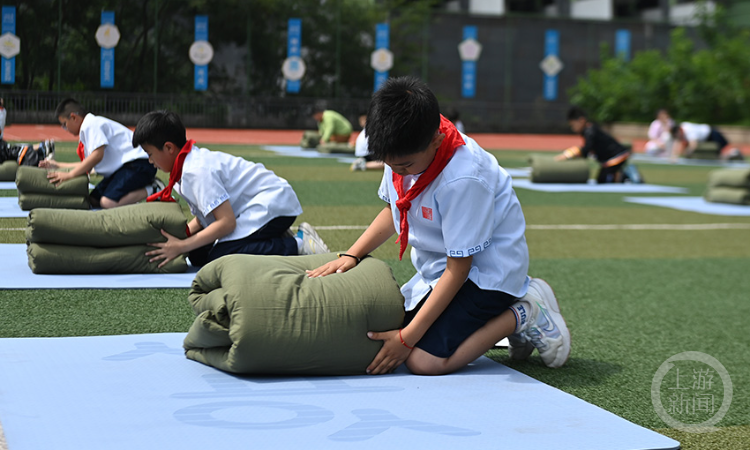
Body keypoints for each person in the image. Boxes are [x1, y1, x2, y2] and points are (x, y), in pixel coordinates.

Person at [307, 77, 570, 376]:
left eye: (404, 167)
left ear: (436, 140)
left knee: (423, 361)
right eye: (391, 166)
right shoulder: (405, 146)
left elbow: (459, 269)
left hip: (486, 275)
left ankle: (526, 312)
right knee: (393, 329)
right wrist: (350, 255)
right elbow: (394, 209)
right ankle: (498, 317)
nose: (398, 173)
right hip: (442, 269)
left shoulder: (463, 177)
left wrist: (407, 340)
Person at [132, 110, 330, 268]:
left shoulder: (196, 171)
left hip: (274, 202)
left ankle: (300, 245)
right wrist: (181, 239)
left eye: (150, 154)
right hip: (254, 207)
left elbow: (226, 223)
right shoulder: (183, 168)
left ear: (169, 148)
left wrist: (182, 245)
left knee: (222, 257)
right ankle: (271, 237)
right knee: (198, 255)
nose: (150, 161)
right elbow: (204, 218)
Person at [40, 98, 162, 209]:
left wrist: (70, 175)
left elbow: (97, 156)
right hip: (125, 168)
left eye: (64, 124)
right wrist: (58, 165)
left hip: (139, 164)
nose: (65, 129)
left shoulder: (90, 125)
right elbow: (87, 164)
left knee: (107, 203)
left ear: (74, 117)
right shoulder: (87, 130)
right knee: (93, 200)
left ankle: (153, 189)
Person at [556, 106, 631, 183]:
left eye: (573, 125)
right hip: (610, 158)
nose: (573, 128)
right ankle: (622, 176)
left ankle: (627, 176)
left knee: (604, 180)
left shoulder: (590, 131)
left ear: (581, 120)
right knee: (601, 179)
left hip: (616, 156)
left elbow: (586, 149)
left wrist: (569, 154)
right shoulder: (588, 130)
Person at [669, 121, 739, 159]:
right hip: (708, 136)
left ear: (679, 130)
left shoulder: (689, 131)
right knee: (717, 155)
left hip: (712, 134)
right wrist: (674, 155)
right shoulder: (682, 127)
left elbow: (693, 145)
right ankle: (733, 154)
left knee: (722, 152)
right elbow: (678, 141)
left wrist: (688, 153)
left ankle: (735, 153)